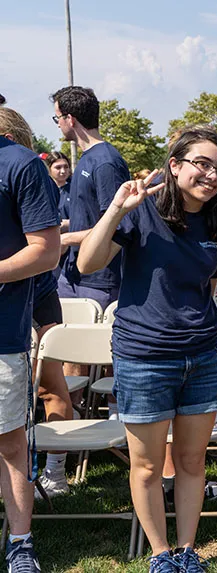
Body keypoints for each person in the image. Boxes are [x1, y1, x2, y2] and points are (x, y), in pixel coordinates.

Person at [77, 126, 217, 573]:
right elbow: (87, 262)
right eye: (202, 164)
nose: (212, 175)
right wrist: (115, 209)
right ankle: (160, 553)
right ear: (175, 165)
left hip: (203, 355)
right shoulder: (140, 211)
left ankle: (187, 550)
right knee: (147, 467)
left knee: (191, 461)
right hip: (144, 356)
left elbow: (212, 283)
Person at [0, 106, 61, 573]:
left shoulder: (21, 163)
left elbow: (45, 250)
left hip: (3, 334)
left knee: (8, 443)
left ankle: (20, 544)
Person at [50, 86, 129, 312]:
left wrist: (65, 239)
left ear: (70, 119)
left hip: (99, 281)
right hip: (72, 274)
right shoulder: (88, 158)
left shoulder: (106, 162)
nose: (57, 124)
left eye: (57, 117)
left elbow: (116, 225)